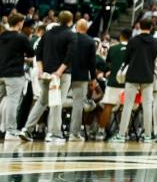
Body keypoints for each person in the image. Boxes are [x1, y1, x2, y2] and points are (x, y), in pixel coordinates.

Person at [21, 11, 76, 143]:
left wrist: (40, 70)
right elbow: (70, 56)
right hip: (61, 75)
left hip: (45, 73)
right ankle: (54, 133)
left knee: (42, 101)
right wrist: (59, 72)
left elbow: (38, 53)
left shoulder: (48, 34)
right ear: (70, 21)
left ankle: (27, 129)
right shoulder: (71, 35)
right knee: (57, 102)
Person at [114, 18, 157, 143]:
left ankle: (122, 134)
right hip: (148, 76)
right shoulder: (156, 42)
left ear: (139, 26)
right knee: (147, 106)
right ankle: (148, 135)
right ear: (151, 27)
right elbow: (154, 58)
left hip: (133, 75)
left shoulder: (133, 41)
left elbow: (126, 58)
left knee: (128, 105)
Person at [0, 14, 33, 141]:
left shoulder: (2, 36)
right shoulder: (21, 37)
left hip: (1, 72)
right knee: (13, 102)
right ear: (19, 23)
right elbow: (31, 53)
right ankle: (11, 131)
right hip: (14, 74)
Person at [68, 19, 97, 140]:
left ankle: (52, 131)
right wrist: (94, 78)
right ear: (86, 28)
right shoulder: (90, 41)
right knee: (78, 104)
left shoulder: (69, 38)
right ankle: (73, 133)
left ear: (76, 27)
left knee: (56, 102)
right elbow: (92, 62)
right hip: (81, 76)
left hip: (64, 74)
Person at [99, 29, 129, 140]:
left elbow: (108, 65)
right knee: (127, 108)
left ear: (121, 36)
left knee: (107, 106)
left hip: (113, 82)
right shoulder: (133, 49)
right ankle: (124, 132)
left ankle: (101, 132)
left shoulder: (113, 48)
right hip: (128, 84)